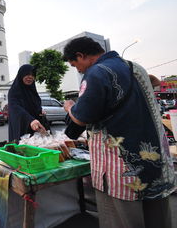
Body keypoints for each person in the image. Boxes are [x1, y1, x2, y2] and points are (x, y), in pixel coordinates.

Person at [62, 36, 175, 228]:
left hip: (121, 170)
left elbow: (82, 117)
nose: (78, 70)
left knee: (122, 220)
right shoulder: (136, 67)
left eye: (75, 65)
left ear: (81, 56)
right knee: (157, 218)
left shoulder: (96, 73)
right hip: (156, 163)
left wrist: (69, 107)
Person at [7, 64, 49, 143]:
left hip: (36, 130)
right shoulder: (14, 91)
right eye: (27, 74)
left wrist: (40, 111)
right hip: (22, 129)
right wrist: (30, 120)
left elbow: (35, 105)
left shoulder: (32, 91)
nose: (30, 77)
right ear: (21, 75)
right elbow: (15, 108)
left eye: (33, 75)